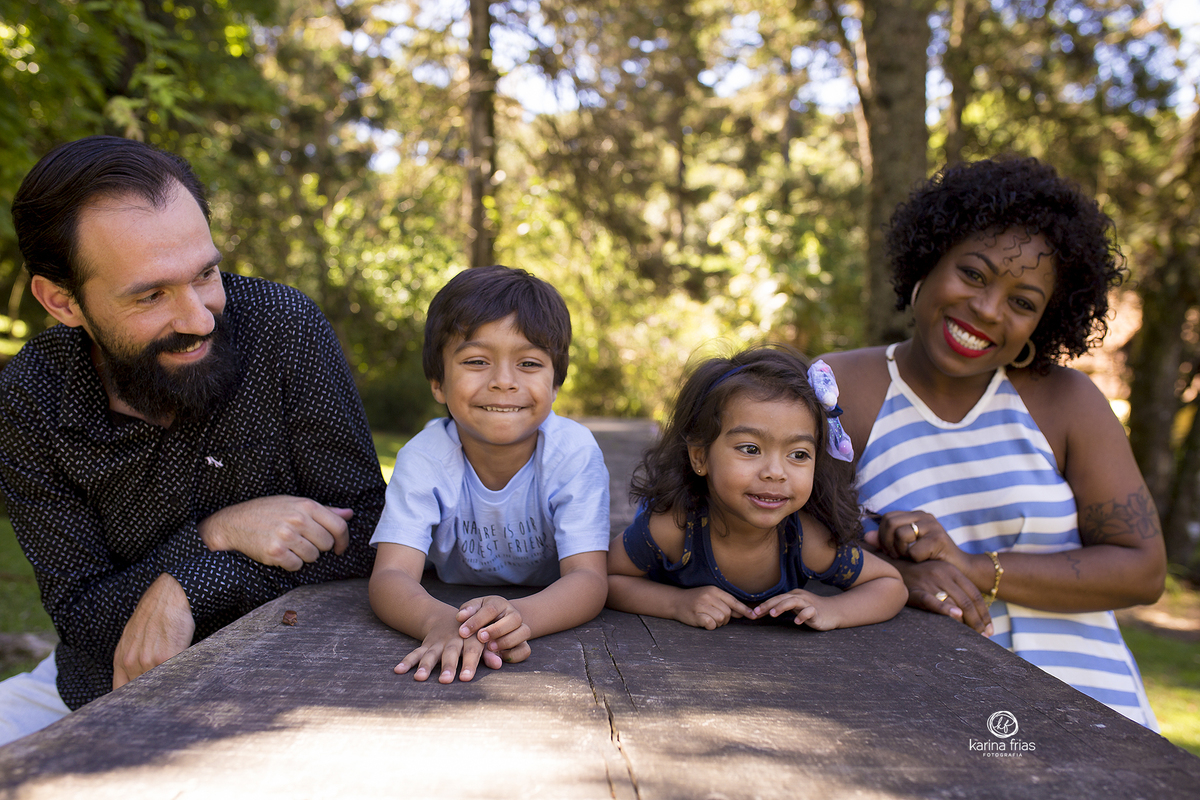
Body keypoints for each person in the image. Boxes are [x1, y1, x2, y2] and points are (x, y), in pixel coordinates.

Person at [0, 135, 386, 744]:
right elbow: (83, 618)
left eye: (205, 273)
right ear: (62, 301)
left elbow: (369, 532)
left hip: (294, 676)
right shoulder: (31, 399)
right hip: (99, 689)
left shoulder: (284, 329)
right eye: (151, 295)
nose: (201, 318)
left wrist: (189, 583)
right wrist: (218, 533)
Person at [821, 156, 1166, 728]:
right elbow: (785, 533)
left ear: (1044, 322)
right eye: (974, 274)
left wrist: (975, 568)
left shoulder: (1067, 403)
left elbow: (1142, 569)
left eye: (1023, 302)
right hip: (932, 715)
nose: (986, 310)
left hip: (1099, 717)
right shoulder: (839, 389)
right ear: (928, 261)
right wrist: (899, 576)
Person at [368, 265, 610, 684]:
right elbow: (390, 576)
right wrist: (438, 621)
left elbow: (588, 579)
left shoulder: (573, 452)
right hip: (452, 605)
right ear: (438, 382)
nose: (503, 382)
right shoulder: (423, 458)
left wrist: (520, 617)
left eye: (529, 363)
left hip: (543, 601)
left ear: (555, 384)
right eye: (477, 361)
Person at [606, 347, 907, 630]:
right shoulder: (675, 528)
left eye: (798, 454)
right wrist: (676, 603)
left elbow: (890, 585)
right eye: (750, 449)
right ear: (700, 456)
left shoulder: (805, 540)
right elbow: (607, 577)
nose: (775, 472)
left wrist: (833, 609)